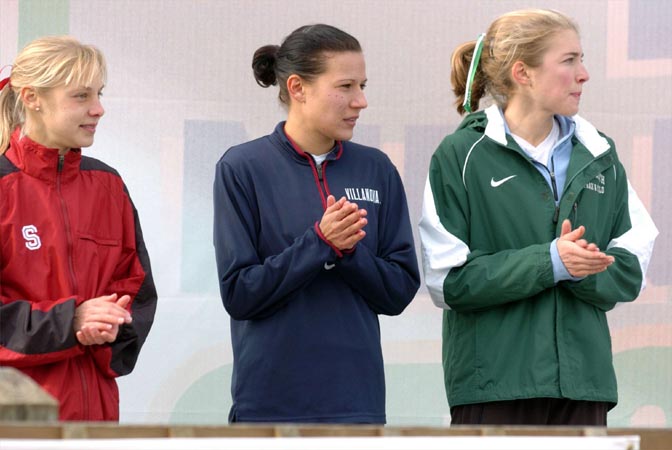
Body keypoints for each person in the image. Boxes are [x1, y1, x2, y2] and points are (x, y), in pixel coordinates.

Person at [419, 9, 658, 426]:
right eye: (569, 61)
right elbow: (448, 281)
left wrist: (582, 271)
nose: (583, 74)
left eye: (581, 59)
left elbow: (631, 266)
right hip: (493, 387)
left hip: (584, 386)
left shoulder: (600, 154)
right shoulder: (460, 155)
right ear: (523, 73)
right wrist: (550, 263)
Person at [213, 24, 420, 424]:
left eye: (362, 85)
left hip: (358, 408)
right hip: (268, 409)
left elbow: (398, 291)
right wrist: (319, 243)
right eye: (345, 86)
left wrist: (347, 253)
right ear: (297, 87)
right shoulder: (242, 167)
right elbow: (239, 293)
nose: (360, 101)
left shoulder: (376, 168)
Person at [0, 36, 157, 421]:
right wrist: (69, 322)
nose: (98, 109)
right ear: (32, 97)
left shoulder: (109, 185)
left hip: (96, 418)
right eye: (81, 96)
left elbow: (136, 290)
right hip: (16, 418)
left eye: (99, 94)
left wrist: (107, 328)